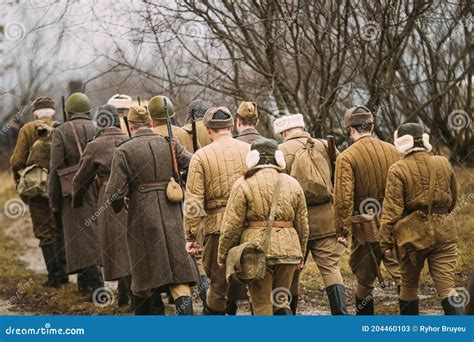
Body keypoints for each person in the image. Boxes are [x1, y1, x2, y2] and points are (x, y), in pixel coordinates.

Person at [106, 105, 196, 315]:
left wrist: (120, 205)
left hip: (141, 215)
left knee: (144, 275)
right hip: (173, 210)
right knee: (179, 273)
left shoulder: (124, 150)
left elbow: (114, 194)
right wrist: (180, 180)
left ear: (130, 126)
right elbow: (194, 163)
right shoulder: (170, 144)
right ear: (150, 123)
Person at [218, 139, 309, 315]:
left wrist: (223, 254)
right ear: (278, 158)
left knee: (261, 302)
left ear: (253, 159)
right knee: (281, 301)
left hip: (257, 250)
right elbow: (303, 224)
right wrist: (301, 254)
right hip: (289, 251)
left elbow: (232, 225)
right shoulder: (293, 183)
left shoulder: (243, 184)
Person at [380, 123, 462, 315]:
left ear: (400, 143)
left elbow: (392, 211)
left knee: (408, 286)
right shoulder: (443, 162)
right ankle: (462, 332)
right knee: (446, 287)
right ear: (424, 140)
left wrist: (385, 243)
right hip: (445, 231)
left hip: (412, 237)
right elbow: (454, 199)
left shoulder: (397, 169)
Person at [275, 113, 347, 315]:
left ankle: (289, 317)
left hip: (295, 223)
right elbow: (342, 177)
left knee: (292, 272)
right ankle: (340, 315)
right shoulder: (326, 145)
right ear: (302, 127)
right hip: (326, 219)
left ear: (285, 132)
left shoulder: (280, 150)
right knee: (331, 268)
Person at [333, 106, 401, 315]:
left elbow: (343, 199)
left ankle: (365, 329)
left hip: (365, 225)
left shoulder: (346, 157)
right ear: (372, 126)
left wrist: (342, 231)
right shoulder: (394, 150)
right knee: (403, 275)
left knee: (364, 281)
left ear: (350, 129)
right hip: (395, 221)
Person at [184, 107, 250, 315]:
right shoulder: (249, 150)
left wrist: (191, 235)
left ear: (208, 130)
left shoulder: (200, 156)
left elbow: (194, 201)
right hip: (247, 225)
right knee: (253, 281)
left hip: (216, 228)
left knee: (218, 285)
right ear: (231, 126)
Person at [72, 104, 131, 307]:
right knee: (132, 243)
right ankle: (133, 294)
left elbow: (81, 180)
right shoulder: (129, 139)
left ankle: (125, 297)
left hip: (107, 196)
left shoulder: (94, 146)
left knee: (116, 245)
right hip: (132, 196)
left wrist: (77, 200)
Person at [48, 92, 103, 298]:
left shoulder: (61, 131)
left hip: (71, 189)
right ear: (88, 110)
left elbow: (55, 168)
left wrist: (53, 200)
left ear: (68, 112)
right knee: (91, 233)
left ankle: (96, 286)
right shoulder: (98, 127)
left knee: (81, 237)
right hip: (98, 186)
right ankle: (85, 285)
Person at [10, 96, 67, 288]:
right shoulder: (62, 126)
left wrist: (21, 182)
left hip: (37, 188)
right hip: (61, 188)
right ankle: (65, 273)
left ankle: (54, 277)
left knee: (44, 231)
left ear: (35, 112)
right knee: (61, 229)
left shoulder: (27, 129)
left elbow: (17, 161)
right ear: (53, 112)